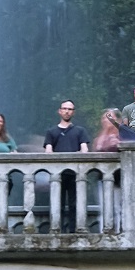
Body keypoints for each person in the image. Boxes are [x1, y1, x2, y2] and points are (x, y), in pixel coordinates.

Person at [44, 99, 89, 231]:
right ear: (59, 111)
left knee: (75, 204)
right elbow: (48, 152)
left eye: (70, 109)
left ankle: (74, 231)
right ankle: (58, 230)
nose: (67, 111)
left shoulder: (80, 131)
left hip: (76, 174)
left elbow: (85, 150)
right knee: (57, 204)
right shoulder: (51, 131)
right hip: (57, 175)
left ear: (73, 112)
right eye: (64, 108)